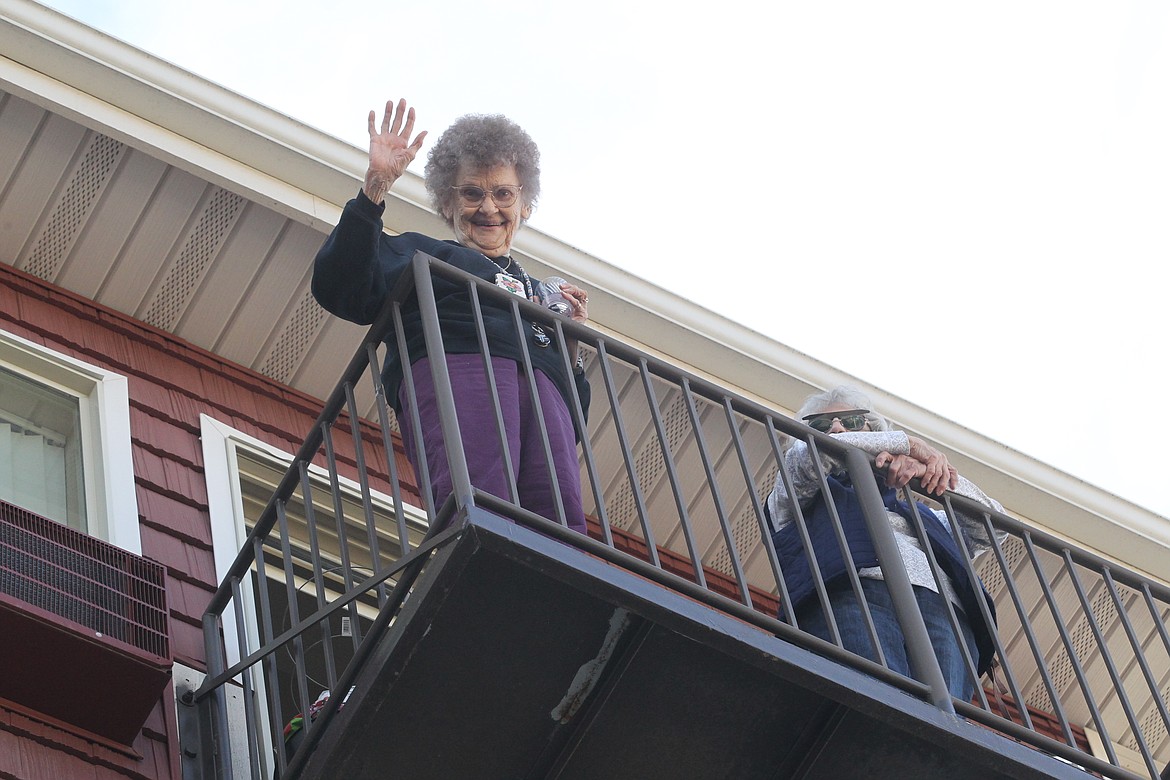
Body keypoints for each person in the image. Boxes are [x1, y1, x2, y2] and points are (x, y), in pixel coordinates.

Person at [312, 99, 591, 534]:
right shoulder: (423, 253)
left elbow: (573, 416)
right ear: (447, 203)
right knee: (483, 503)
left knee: (559, 525)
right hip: (462, 369)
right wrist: (374, 189)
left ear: (525, 205)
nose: (488, 208)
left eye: (503, 193)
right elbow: (341, 287)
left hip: (540, 397)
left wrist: (570, 341)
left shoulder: (541, 291)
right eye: (472, 193)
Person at [765, 386, 1003, 702]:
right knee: (874, 701)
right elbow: (813, 453)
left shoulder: (920, 516)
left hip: (944, 609)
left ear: (873, 432)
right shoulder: (796, 495)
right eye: (819, 425)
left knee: (944, 723)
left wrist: (932, 475)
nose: (836, 429)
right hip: (851, 593)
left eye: (850, 422)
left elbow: (993, 526)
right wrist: (910, 444)